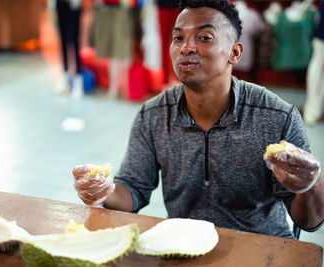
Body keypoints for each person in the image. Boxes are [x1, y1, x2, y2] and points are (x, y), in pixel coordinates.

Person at [73, 0, 324, 238]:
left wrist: (311, 185)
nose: (186, 47)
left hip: (262, 247)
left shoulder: (277, 117)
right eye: (178, 38)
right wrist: (103, 191)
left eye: (204, 37)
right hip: (186, 246)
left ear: (234, 53)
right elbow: (132, 191)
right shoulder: (154, 115)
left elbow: (309, 221)